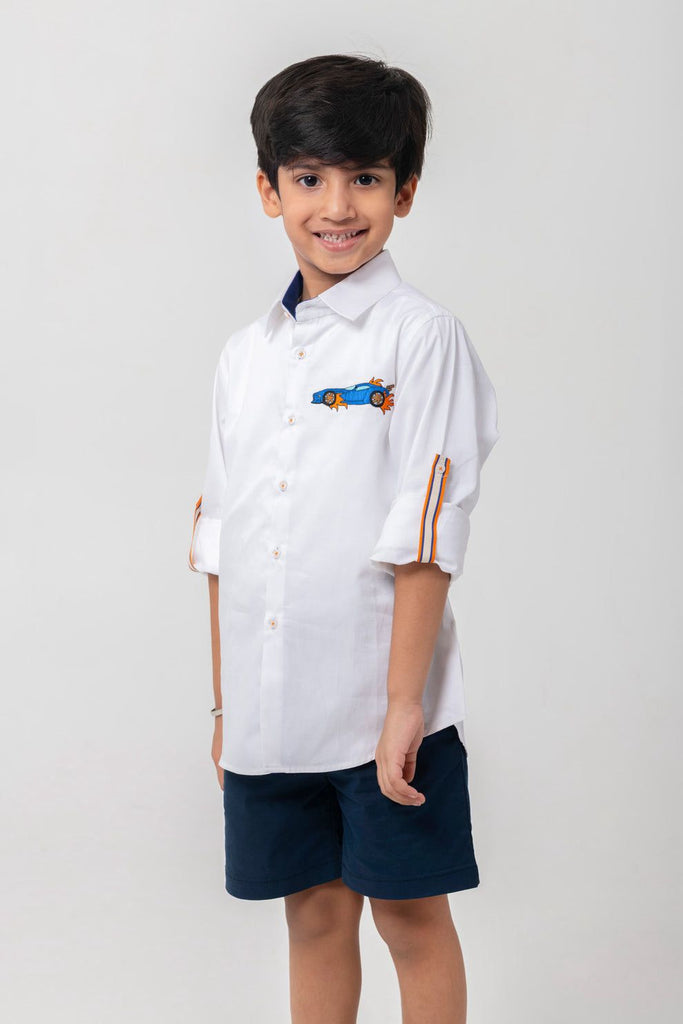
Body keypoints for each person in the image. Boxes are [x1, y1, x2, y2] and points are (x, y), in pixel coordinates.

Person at [188, 53, 500, 1024]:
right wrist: (226, 707)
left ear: (403, 191)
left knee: (409, 918)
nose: (336, 206)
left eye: (364, 177)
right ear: (268, 190)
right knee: (314, 916)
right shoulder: (244, 357)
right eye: (308, 178)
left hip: (381, 705)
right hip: (271, 710)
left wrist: (403, 705)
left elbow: (426, 533)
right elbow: (220, 541)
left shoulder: (419, 336)